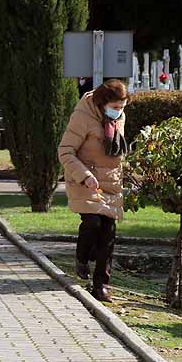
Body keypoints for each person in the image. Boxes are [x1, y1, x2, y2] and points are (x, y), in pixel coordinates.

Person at [58, 78, 129, 302]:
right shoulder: (82, 117)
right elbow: (66, 151)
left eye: (122, 108)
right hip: (85, 180)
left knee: (108, 232)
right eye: (115, 107)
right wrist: (84, 175)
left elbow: (118, 150)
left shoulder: (119, 118)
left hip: (110, 182)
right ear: (103, 102)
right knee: (93, 223)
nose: (119, 112)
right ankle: (82, 257)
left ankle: (101, 285)